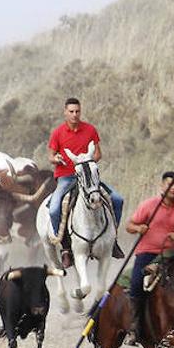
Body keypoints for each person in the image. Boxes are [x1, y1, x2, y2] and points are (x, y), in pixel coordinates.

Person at [47, 97, 125, 266]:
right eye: (71, 112)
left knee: (118, 199)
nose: (75, 115)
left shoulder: (90, 130)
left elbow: (98, 154)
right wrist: (56, 158)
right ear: (65, 112)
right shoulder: (58, 133)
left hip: (88, 177)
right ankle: (65, 247)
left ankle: (113, 240)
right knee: (54, 209)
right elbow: (50, 156)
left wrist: (88, 160)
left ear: (80, 112)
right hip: (66, 176)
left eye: (77, 111)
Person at [124, 171, 174, 344]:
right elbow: (129, 225)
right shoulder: (149, 205)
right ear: (162, 186)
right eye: (170, 184)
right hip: (147, 252)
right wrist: (138, 228)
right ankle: (135, 326)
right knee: (135, 283)